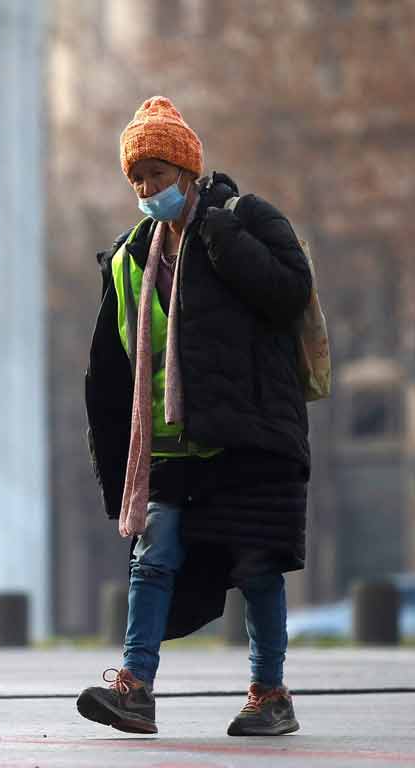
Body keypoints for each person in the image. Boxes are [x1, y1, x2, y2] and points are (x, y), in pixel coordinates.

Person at [77, 96, 313, 737]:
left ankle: (270, 693)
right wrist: (112, 460)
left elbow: (289, 293)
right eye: (137, 178)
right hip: (169, 444)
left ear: (186, 171)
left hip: (247, 435)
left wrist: (223, 236)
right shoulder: (129, 257)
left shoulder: (242, 219)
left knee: (256, 563)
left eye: (156, 173)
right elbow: (112, 366)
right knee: (154, 557)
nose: (147, 189)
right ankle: (135, 688)